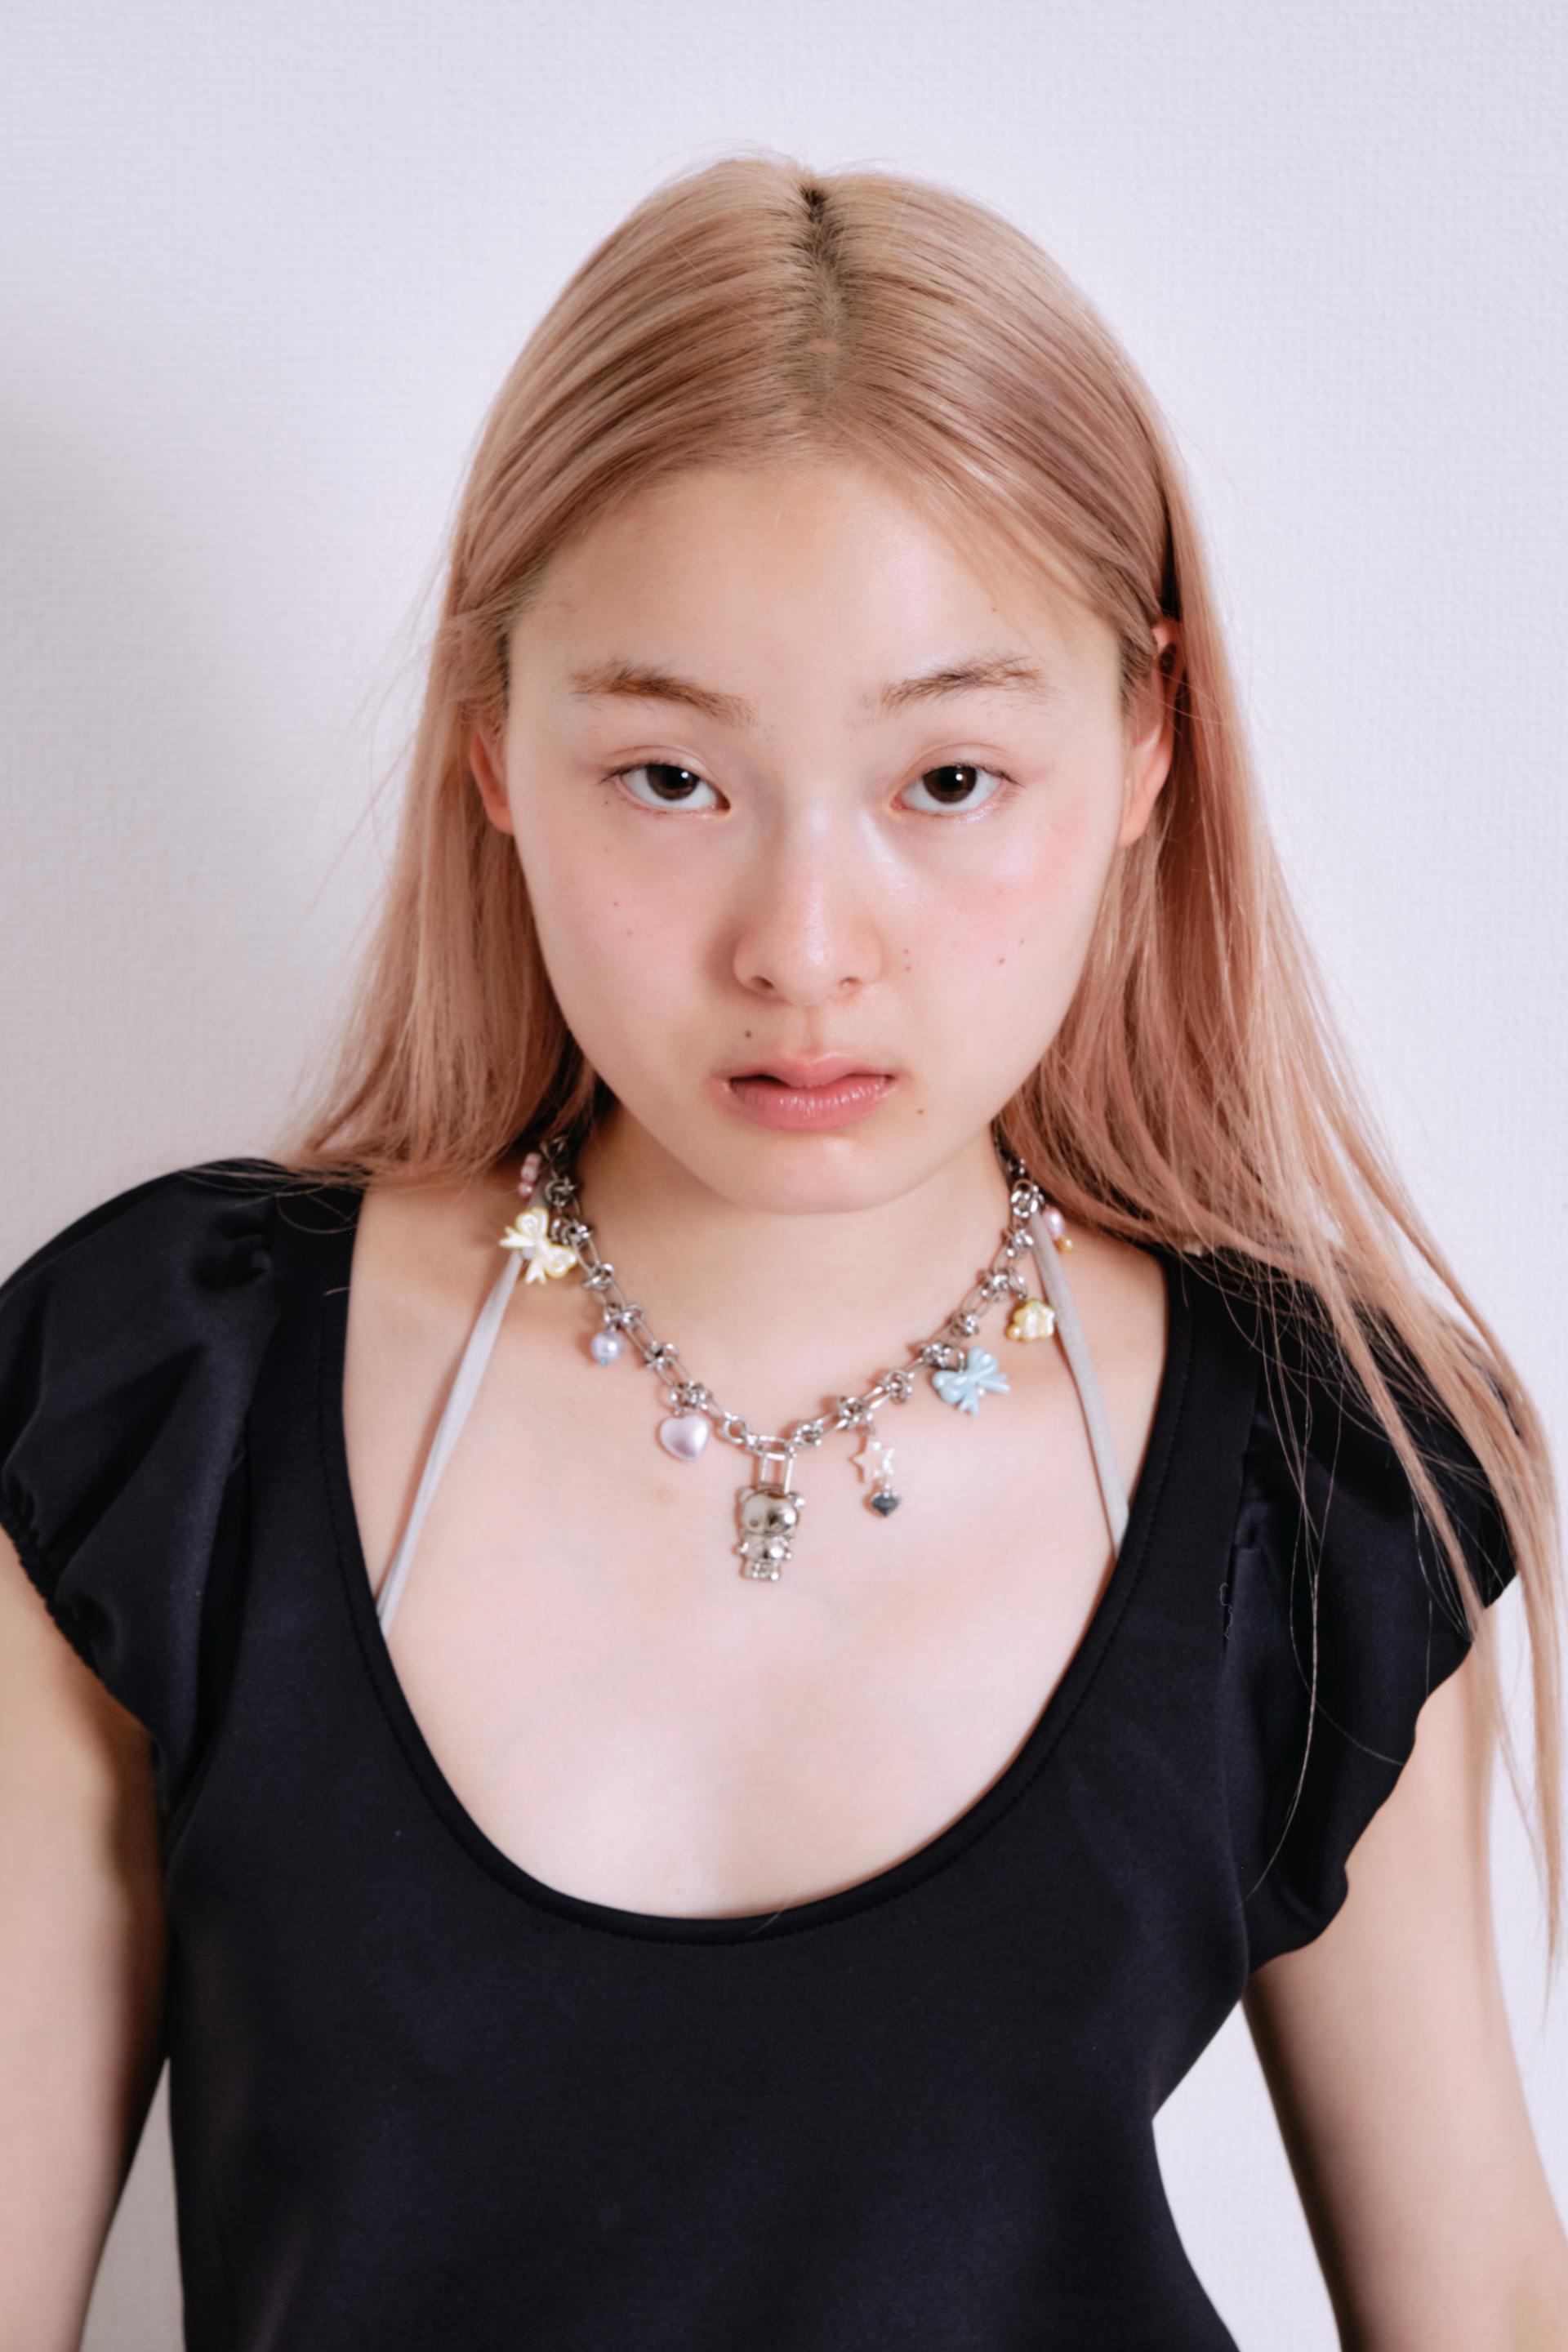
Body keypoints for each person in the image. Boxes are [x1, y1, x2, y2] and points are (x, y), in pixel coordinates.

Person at [1, 154, 1564, 2350]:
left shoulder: (1322, 1490)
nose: (804, 948)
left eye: (949, 781)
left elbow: (1481, 2302)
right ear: (494, 746)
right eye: (671, 778)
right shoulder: (161, 1409)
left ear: (1147, 747)